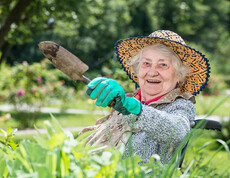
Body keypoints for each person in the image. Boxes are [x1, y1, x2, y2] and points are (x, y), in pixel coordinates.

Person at [79, 30, 210, 164]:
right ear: (138, 69)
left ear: (178, 75)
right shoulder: (128, 100)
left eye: (163, 65)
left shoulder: (180, 105)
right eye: (146, 63)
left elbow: (177, 133)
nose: (152, 72)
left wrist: (137, 110)